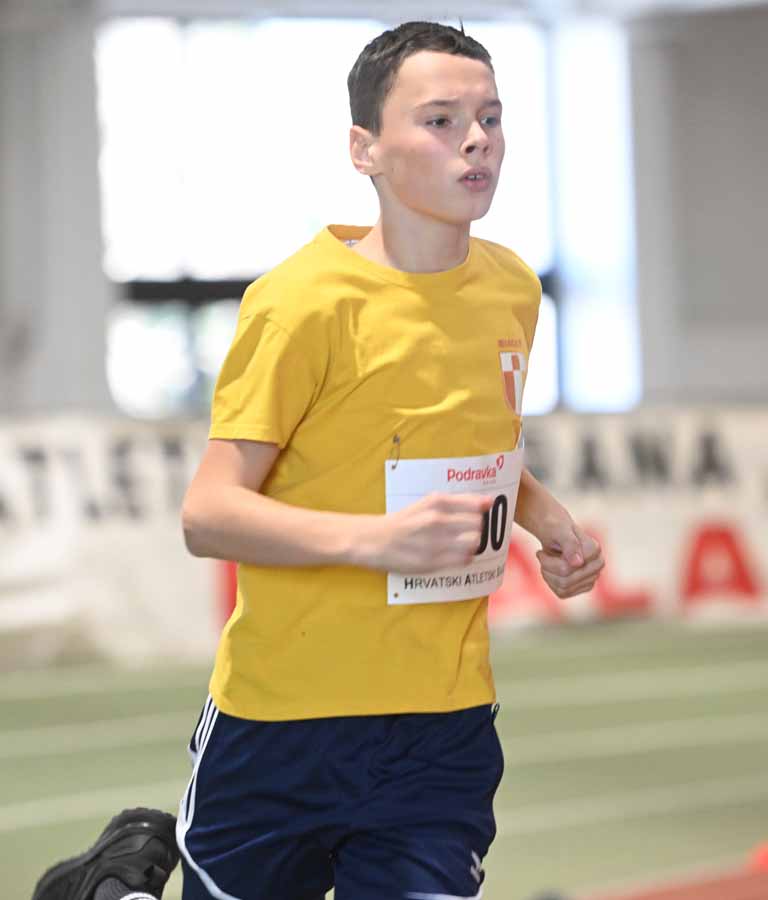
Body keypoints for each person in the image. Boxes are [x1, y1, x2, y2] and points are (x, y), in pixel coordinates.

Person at [33, 19, 604, 900]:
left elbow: (475, 443)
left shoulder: (512, 288)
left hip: (441, 726)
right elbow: (209, 513)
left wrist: (545, 517)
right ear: (364, 148)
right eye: (441, 120)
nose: (477, 140)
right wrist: (377, 541)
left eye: (491, 118)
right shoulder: (299, 303)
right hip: (282, 724)